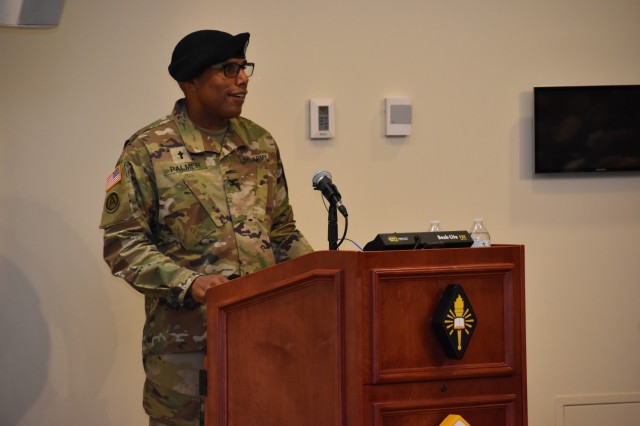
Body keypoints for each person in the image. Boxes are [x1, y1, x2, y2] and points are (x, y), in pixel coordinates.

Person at [99, 29, 313, 426]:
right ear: (190, 81)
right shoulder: (147, 149)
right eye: (228, 69)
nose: (243, 79)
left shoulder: (260, 144)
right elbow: (123, 244)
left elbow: (282, 233)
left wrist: (323, 276)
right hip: (186, 350)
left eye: (244, 68)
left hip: (263, 338)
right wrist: (187, 281)